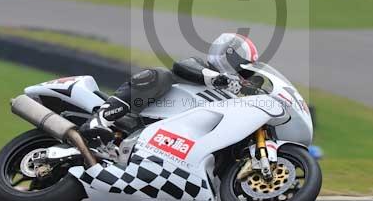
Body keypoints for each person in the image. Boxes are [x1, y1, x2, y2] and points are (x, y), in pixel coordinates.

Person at [88, 33, 259, 134]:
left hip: (179, 139)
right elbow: (181, 66)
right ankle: (101, 118)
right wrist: (219, 79)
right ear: (226, 55)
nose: (243, 76)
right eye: (242, 68)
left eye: (246, 73)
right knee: (159, 75)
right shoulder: (197, 65)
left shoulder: (231, 98)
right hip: (141, 117)